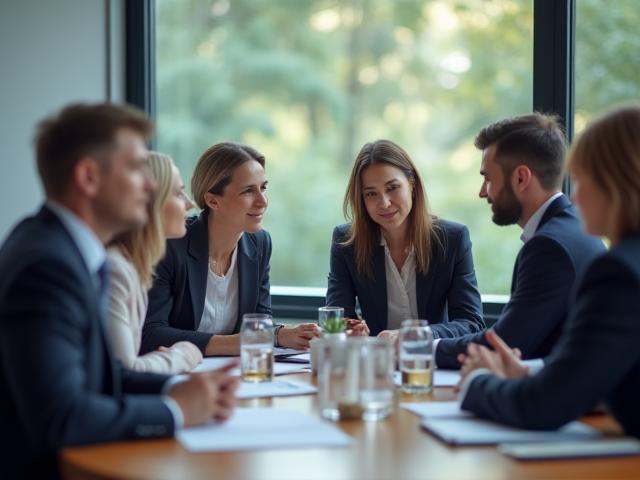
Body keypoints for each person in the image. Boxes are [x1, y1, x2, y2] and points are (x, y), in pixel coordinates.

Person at [0, 103, 238, 479]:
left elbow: (102, 375)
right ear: (88, 177)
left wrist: (183, 388)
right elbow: (62, 418)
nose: (149, 185)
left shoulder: (65, 249)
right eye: (134, 168)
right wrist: (175, 411)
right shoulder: (46, 267)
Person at [458, 104, 640, 438]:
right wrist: (531, 374)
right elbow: (605, 367)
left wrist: (477, 381)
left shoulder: (620, 273)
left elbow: (541, 407)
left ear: (617, 185)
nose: (575, 196)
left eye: (583, 180)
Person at [434, 113, 605, 369]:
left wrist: (417, 346)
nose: (483, 192)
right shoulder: (574, 226)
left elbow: (505, 346)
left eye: (488, 178)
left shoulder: (550, 247)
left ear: (521, 178)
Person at [142, 142, 319, 356]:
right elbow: (152, 334)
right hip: (180, 375)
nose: (263, 201)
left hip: (231, 376)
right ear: (213, 201)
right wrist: (245, 342)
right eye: (248, 191)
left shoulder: (260, 243)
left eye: (263, 188)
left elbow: (260, 322)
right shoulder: (171, 245)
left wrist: (281, 334)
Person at [326, 139, 484, 339]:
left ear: (412, 185)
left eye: (392, 188)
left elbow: (471, 323)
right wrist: (350, 331)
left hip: (430, 362)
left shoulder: (452, 239)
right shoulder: (346, 242)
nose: (384, 203)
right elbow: (335, 319)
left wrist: (413, 335)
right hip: (376, 362)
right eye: (371, 193)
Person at [107, 151, 202, 373]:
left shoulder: (134, 266)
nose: (189, 204)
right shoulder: (115, 270)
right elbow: (124, 372)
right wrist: (184, 354)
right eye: (179, 194)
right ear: (152, 203)